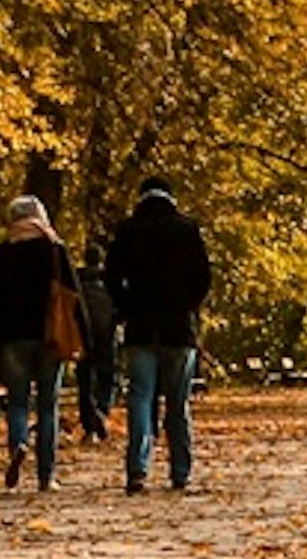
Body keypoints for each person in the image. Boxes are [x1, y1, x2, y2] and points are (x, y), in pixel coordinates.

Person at [108, 174, 211, 493]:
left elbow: (111, 276)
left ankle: (138, 468)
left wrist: (126, 307)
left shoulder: (127, 230)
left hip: (140, 327)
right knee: (178, 403)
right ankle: (181, 471)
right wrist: (187, 305)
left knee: (140, 397)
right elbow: (203, 278)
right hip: (178, 329)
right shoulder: (187, 229)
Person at [0, 193, 76, 492]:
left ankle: (18, 445)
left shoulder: (3, 253)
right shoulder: (54, 249)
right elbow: (71, 294)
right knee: (48, 405)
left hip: (14, 337)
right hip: (50, 335)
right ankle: (46, 476)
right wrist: (83, 337)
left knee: (18, 402)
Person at [72, 238, 119, 447]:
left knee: (84, 380)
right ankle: (102, 408)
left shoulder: (76, 280)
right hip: (106, 334)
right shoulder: (109, 280)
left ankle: (88, 425)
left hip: (82, 335)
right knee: (108, 376)